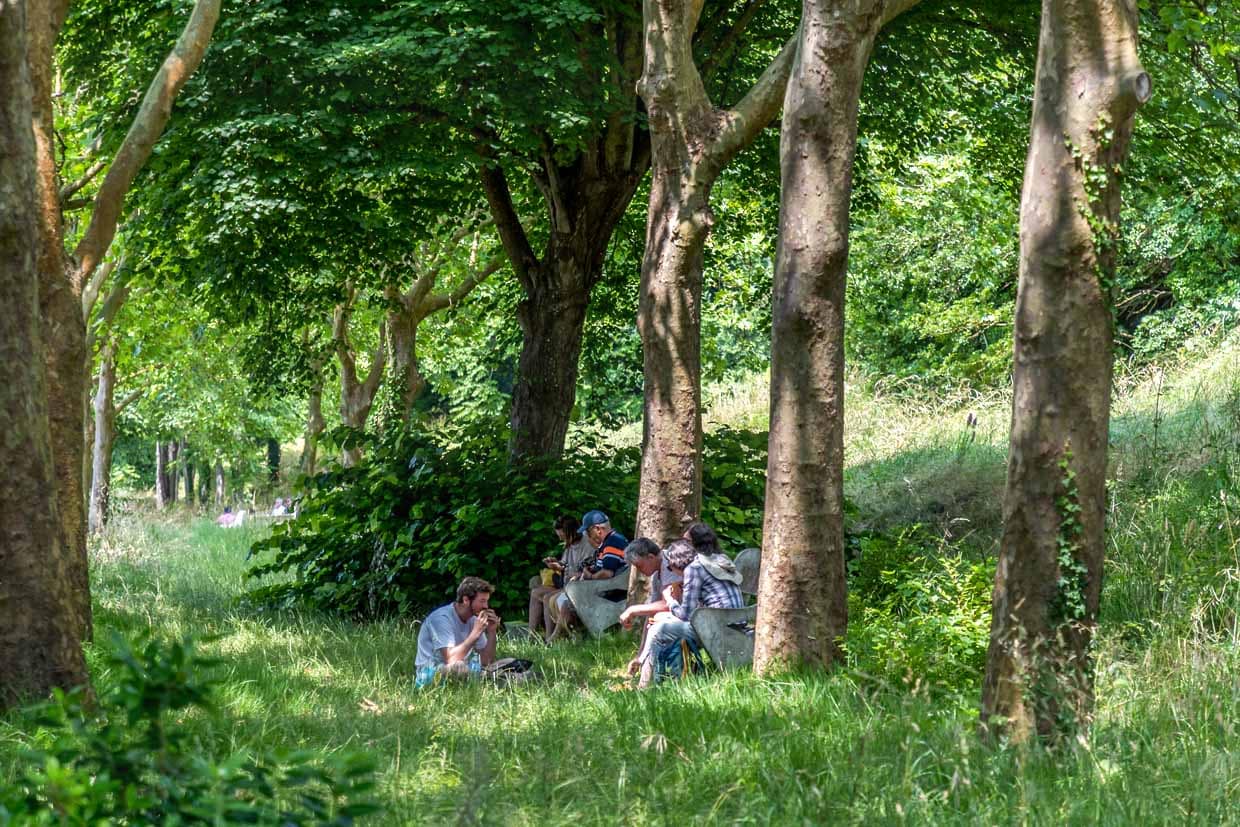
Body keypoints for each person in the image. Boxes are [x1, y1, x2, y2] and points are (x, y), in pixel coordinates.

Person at [637, 536, 743, 688]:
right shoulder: (709, 562)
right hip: (734, 623)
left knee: (657, 629)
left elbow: (685, 615)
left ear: (675, 565)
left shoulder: (693, 571)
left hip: (717, 628)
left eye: (670, 568)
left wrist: (670, 599)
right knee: (664, 621)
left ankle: (644, 686)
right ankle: (676, 675)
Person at [414, 577, 500, 688]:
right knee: (458, 667)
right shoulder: (441, 619)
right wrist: (475, 633)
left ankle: (489, 680)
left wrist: (492, 631)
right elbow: (451, 659)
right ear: (466, 600)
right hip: (429, 672)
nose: (486, 606)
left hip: (464, 667)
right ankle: (482, 682)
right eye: (482, 601)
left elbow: (486, 661)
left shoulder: (474, 618)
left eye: (487, 601)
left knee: (509, 664)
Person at [618, 538, 684, 680]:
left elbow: (670, 604)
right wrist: (640, 655)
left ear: (651, 557)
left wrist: (633, 609)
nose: (639, 570)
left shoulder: (670, 564)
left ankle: (648, 681)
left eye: (640, 565)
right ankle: (647, 670)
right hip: (683, 616)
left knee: (660, 623)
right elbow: (653, 611)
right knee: (657, 619)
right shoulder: (656, 573)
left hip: (698, 615)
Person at [528, 515, 593, 640]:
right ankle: (531, 635)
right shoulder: (570, 544)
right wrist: (556, 565)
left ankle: (549, 638)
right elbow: (565, 565)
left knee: (547, 597)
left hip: (577, 588)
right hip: (566, 585)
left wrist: (570, 572)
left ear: (570, 532)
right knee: (536, 592)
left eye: (562, 536)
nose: (560, 539)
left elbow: (585, 570)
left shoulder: (587, 545)